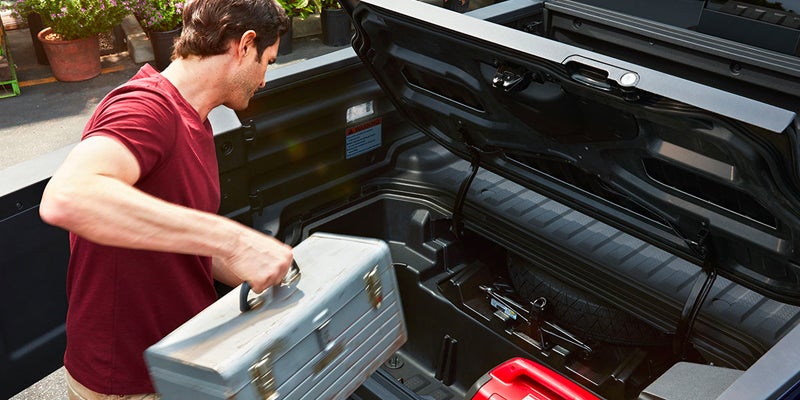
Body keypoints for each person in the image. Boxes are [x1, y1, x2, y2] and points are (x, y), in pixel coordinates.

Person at [38, 0, 292, 398]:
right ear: (244, 45)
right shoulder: (146, 108)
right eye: (269, 61)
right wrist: (234, 239)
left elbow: (186, 245)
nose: (265, 79)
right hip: (126, 381)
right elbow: (68, 197)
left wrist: (267, 269)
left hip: (181, 360)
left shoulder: (198, 118)